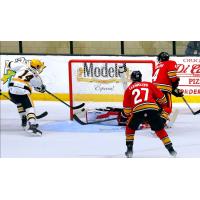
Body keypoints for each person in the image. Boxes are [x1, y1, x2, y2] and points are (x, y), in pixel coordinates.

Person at [123, 70, 177, 158]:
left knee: (130, 128)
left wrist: (128, 114)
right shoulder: (149, 84)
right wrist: (159, 107)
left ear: (131, 78)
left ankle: (129, 150)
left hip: (138, 112)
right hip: (152, 110)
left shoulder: (129, 89)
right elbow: (163, 99)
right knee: (160, 130)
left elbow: (127, 111)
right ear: (141, 77)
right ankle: (171, 150)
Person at [1, 57, 46, 136]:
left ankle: (23, 118)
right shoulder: (36, 76)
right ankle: (32, 125)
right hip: (23, 90)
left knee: (19, 104)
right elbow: (39, 88)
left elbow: (9, 64)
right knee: (30, 107)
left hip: (11, 89)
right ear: (37, 67)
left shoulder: (22, 66)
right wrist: (42, 88)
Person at [152, 52, 183, 124]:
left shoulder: (157, 66)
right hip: (164, 91)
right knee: (167, 109)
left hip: (154, 91)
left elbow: (162, 82)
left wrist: (174, 90)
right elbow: (172, 76)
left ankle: (153, 121)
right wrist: (176, 81)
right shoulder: (170, 62)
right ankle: (159, 125)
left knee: (158, 108)